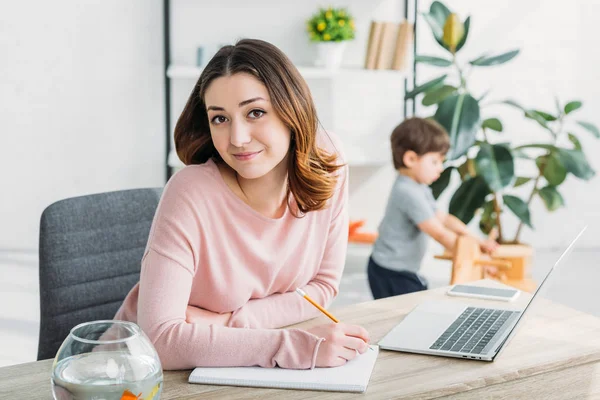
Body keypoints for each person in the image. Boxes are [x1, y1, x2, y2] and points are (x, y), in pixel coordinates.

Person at [113, 38, 370, 370]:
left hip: (232, 363)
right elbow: (160, 341)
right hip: (134, 375)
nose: (237, 139)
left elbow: (323, 286)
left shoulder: (327, 162)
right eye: (220, 119)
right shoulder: (190, 191)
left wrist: (231, 322)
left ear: (292, 109)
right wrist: (292, 346)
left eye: (255, 112)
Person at [367, 117, 499, 300]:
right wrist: (476, 258)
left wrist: (476, 240)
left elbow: (443, 219)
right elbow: (440, 234)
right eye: (435, 161)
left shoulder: (418, 187)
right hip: (391, 271)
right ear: (411, 159)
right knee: (407, 313)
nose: (441, 168)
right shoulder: (407, 192)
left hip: (398, 268)